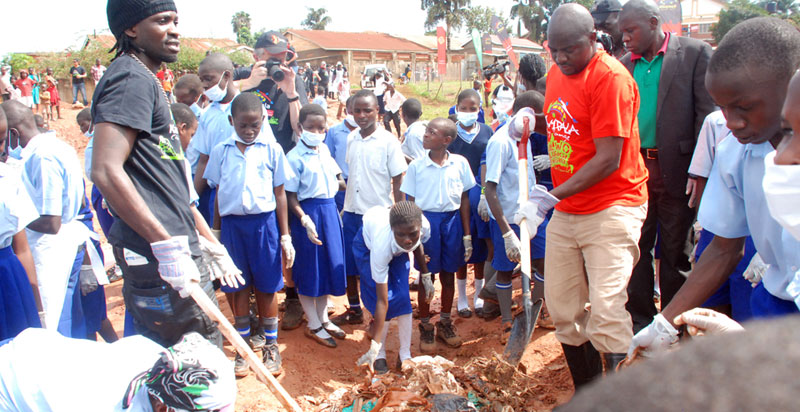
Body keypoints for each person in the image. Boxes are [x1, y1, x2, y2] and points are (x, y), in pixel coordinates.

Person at [630, 17, 800, 355]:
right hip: (775, 300)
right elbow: (723, 247)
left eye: (744, 107)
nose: (731, 121)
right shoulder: (734, 152)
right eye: (721, 107)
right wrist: (665, 322)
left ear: (791, 82)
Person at [517, 4, 649, 387]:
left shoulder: (611, 79)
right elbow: (569, 121)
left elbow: (608, 159)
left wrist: (549, 197)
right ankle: (589, 393)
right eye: (553, 50)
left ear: (592, 39)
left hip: (613, 205)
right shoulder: (559, 72)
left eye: (570, 50)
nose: (560, 59)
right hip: (569, 208)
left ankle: (620, 399)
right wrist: (530, 121)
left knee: (607, 311)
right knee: (563, 308)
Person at [91, 0, 222, 348]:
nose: (175, 29)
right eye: (162, 20)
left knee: (181, 364)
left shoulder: (146, 78)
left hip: (171, 246)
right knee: (194, 371)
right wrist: (167, 247)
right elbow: (105, 169)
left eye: (176, 20)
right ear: (131, 29)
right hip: (158, 255)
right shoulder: (129, 77)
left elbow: (161, 179)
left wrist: (201, 240)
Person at [619, 0, 715, 333]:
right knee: (636, 250)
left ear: (654, 22)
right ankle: (641, 321)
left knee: (676, 254)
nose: (626, 38)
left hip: (678, 171)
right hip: (635, 174)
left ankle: (674, 324)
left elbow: (708, 116)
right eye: (622, 33)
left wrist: (701, 168)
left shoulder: (694, 54)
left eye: (631, 31)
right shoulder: (623, 65)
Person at [204, 93, 295, 376]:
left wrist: (285, 236)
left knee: (267, 286)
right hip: (233, 228)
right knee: (237, 286)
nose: (249, 130)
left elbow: (280, 193)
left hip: (264, 226)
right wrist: (216, 233)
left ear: (263, 121)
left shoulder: (272, 150)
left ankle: (270, 345)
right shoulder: (221, 150)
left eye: (254, 125)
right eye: (243, 125)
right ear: (232, 121)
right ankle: (243, 345)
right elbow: (218, 192)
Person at [2, 100, 89, 338]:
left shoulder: (42, 156)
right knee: (67, 316)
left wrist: (14, 217)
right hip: (64, 243)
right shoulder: (57, 146)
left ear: (12, 133)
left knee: (52, 320)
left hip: (50, 247)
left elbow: (51, 221)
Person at [0, 330, 236, 411]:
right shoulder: (105, 404)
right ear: (164, 408)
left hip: (34, 350)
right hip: (11, 390)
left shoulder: (159, 363)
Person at [333, 90, 408, 326]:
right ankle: (355, 309)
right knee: (350, 266)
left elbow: (398, 180)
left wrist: (400, 213)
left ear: (378, 111)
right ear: (351, 112)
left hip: (377, 216)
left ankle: (379, 315)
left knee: (374, 267)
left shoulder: (388, 141)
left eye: (368, 110)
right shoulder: (351, 138)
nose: (362, 115)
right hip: (352, 213)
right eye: (357, 111)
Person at [401, 117, 474, 351]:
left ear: (446, 140)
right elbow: (410, 202)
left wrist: (466, 234)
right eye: (426, 131)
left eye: (431, 132)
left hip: (452, 223)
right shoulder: (416, 167)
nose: (425, 135)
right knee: (426, 275)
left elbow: (464, 199)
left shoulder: (460, 164)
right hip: (426, 223)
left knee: (449, 274)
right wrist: (415, 231)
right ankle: (425, 324)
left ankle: (444, 321)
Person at [286, 104, 347, 348]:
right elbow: (289, 195)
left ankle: (323, 319)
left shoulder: (324, 150)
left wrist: (343, 186)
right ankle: (312, 324)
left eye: (321, 128)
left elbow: (337, 178)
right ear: (300, 127)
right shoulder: (293, 157)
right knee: (309, 268)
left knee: (328, 267)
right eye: (310, 127)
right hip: (308, 215)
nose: (316, 131)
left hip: (329, 211)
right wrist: (303, 218)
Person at [689, 110, 756, 322]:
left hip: (754, 236)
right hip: (718, 226)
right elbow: (703, 175)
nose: (731, 121)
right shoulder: (719, 129)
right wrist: (700, 224)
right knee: (710, 298)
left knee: (746, 303)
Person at [355, 202, 432, 374]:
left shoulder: (423, 226)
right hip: (367, 249)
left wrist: (426, 276)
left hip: (397, 251)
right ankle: (380, 354)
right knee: (384, 299)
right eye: (401, 234)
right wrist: (374, 348)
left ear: (419, 228)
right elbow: (382, 302)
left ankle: (405, 354)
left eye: (413, 233)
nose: (407, 239)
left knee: (404, 298)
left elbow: (417, 244)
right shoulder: (380, 246)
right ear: (392, 230)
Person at [448, 89, 494, 318]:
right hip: (457, 198)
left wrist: (485, 194)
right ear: (456, 109)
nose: (468, 112)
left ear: (480, 110)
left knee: (480, 248)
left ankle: (478, 295)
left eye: (472, 108)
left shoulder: (487, 131)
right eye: (463, 109)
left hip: (481, 197)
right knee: (461, 250)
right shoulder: (450, 135)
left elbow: (490, 164)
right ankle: (462, 298)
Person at [0, 106, 43, 340]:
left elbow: (22, 248)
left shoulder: (8, 178)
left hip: (8, 277)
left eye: (0, 142)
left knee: (17, 346)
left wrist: (37, 308)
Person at [326, 96, 357, 212]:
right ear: (346, 111)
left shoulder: (366, 133)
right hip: (342, 182)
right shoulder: (334, 131)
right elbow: (329, 157)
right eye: (352, 111)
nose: (355, 114)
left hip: (361, 182)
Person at [400, 98, 426, 163]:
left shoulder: (413, 134)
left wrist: (397, 153)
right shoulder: (422, 127)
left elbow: (419, 162)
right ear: (421, 113)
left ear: (403, 115)